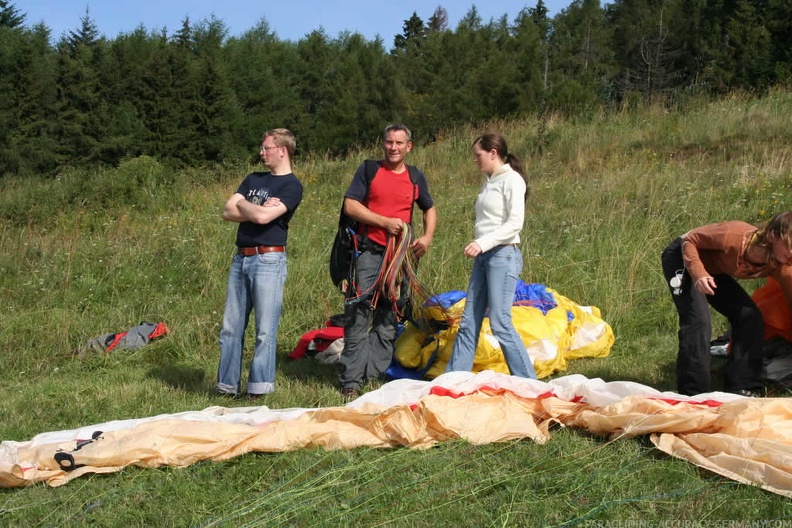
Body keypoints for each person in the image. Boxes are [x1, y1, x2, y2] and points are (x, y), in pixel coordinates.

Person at [339, 124, 437, 401]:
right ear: (383, 144)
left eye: (399, 143)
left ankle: (374, 374)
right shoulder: (369, 170)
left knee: (389, 314)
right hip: (369, 253)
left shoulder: (415, 176)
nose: (393, 147)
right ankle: (351, 381)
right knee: (359, 314)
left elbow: (429, 207)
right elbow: (351, 206)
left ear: (409, 147)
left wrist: (427, 238)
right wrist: (384, 222)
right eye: (389, 142)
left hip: (400, 257)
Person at [661, 211, 792, 397]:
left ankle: (741, 386)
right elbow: (690, 240)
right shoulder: (733, 236)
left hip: (713, 269)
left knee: (749, 316)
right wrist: (699, 274)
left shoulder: (780, 262)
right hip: (683, 258)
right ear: (772, 235)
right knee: (698, 322)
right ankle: (694, 394)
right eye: (790, 245)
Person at [215, 128, 303, 399]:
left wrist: (248, 206)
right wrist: (257, 208)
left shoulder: (292, 186)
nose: (261, 153)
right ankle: (226, 386)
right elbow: (228, 211)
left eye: (266, 148)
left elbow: (265, 219)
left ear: (282, 150)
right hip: (241, 258)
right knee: (231, 327)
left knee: (265, 329)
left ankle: (258, 388)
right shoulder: (253, 178)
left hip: (269, 260)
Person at [445, 133, 537, 380]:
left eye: (479, 155)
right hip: (484, 257)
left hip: (503, 256)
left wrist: (481, 243)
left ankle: (530, 384)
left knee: (500, 323)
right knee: (469, 322)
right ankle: (452, 381)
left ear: (493, 153)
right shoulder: (489, 180)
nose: (476, 161)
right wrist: (481, 246)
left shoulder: (512, 180)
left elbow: (514, 223)